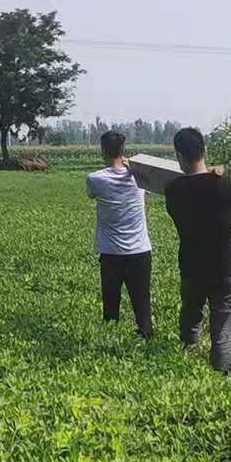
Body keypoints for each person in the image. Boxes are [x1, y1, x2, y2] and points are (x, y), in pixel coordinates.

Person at [163, 127, 231, 375]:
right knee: (222, 325)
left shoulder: (173, 190)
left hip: (191, 267)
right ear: (204, 149)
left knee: (190, 314)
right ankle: (221, 373)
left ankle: (186, 359)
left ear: (178, 155)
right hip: (224, 268)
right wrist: (215, 176)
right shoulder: (224, 185)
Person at [86, 130, 153, 336]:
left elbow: (91, 195)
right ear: (124, 150)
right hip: (140, 250)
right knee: (142, 301)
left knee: (111, 302)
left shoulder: (95, 179)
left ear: (102, 151)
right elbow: (150, 186)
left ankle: (110, 341)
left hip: (111, 253)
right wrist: (130, 165)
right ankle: (146, 335)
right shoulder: (140, 177)